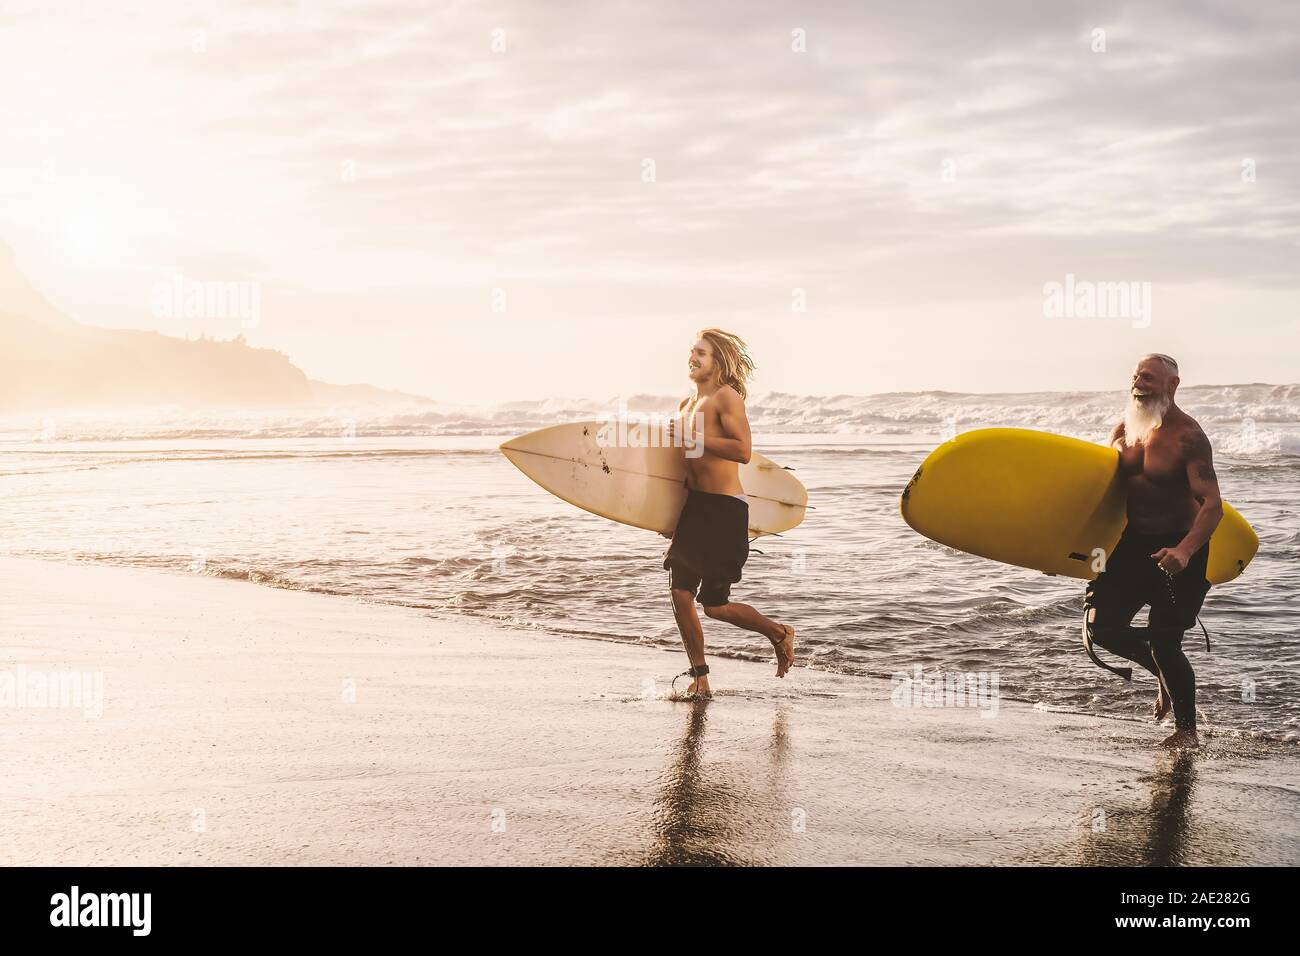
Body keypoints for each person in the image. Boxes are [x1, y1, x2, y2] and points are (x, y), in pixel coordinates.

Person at [1084, 354, 1223, 748]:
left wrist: (1184, 550)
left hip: (1181, 547)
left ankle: (1187, 732)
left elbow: (1212, 504)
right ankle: (1162, 675)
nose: (1138, 382)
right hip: (1132, 546)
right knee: (1102, 628)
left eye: (1148, 377)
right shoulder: (1123, 431)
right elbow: (1098, 497)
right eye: (1135, 376)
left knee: (1165, 641)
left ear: (1172, 385)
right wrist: (1063, 548)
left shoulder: (1188, 437)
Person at [662, 329, 795, 699]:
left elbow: (742, 450)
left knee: (715, 606)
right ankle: (700, 678)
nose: (693, 357)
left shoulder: (726, 398)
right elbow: (684, 472)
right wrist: (669, 517)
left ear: (717, 361)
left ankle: (779, 632)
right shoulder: (685, 406)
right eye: (691, 351)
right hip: (695, 509)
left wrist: (694, 438)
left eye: (701, 352)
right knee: (679, 591)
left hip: (724, 510)